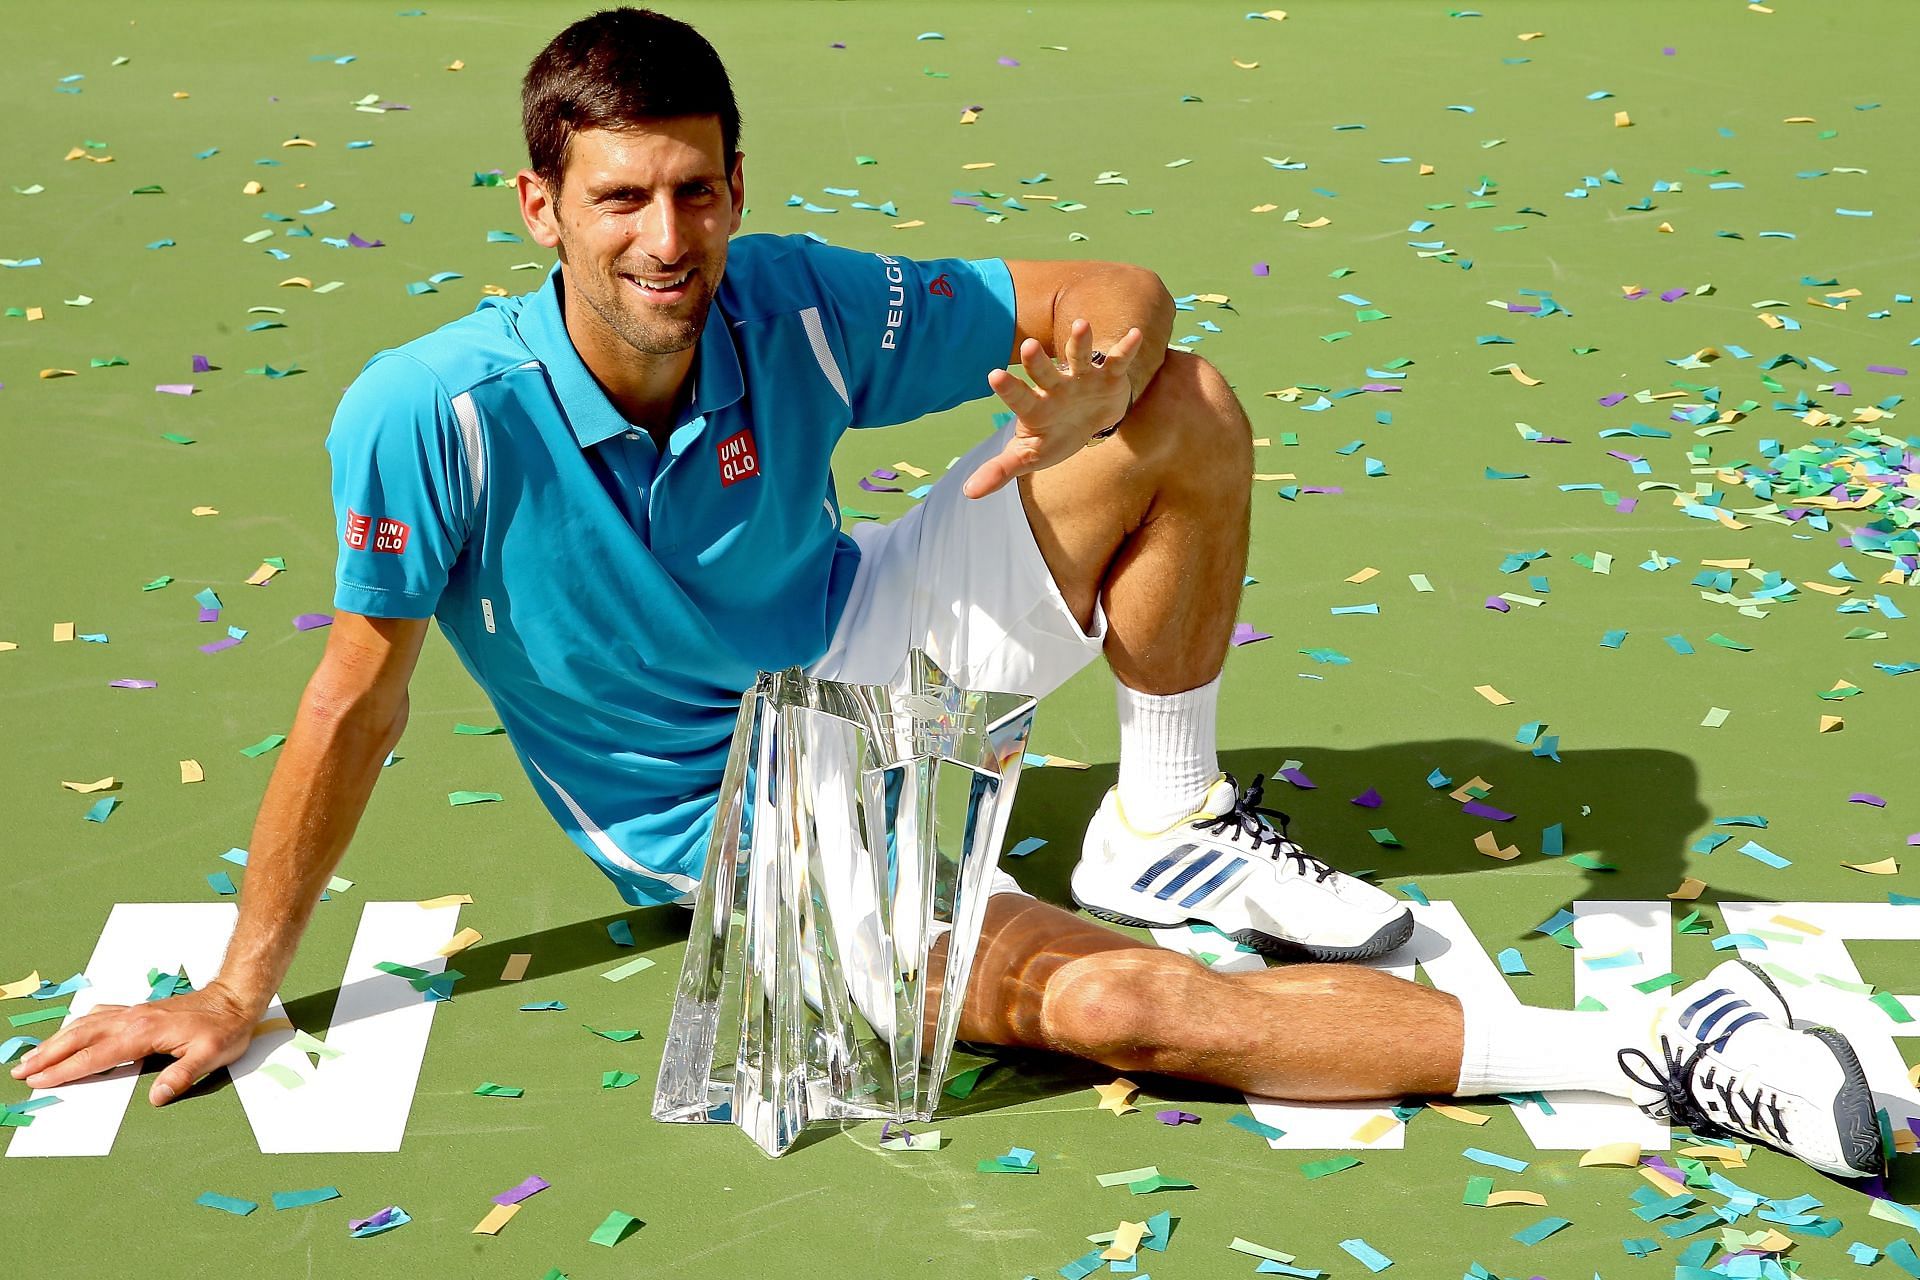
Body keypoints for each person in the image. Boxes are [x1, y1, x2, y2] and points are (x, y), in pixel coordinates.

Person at [13, 7, 1882, 1180]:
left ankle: (1163, 816)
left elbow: (1122, 285)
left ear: (739, 185)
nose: (667, 242)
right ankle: (1645, 1052)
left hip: (861, 643)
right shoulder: (433, 418)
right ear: (537, 207)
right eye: (620, 203)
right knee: (1102, 1016)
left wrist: (1095, 373)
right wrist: (246, 984)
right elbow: (362, 693)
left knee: (1189, 406)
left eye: (696, 193)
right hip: (734, 821)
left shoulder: (794, 295)